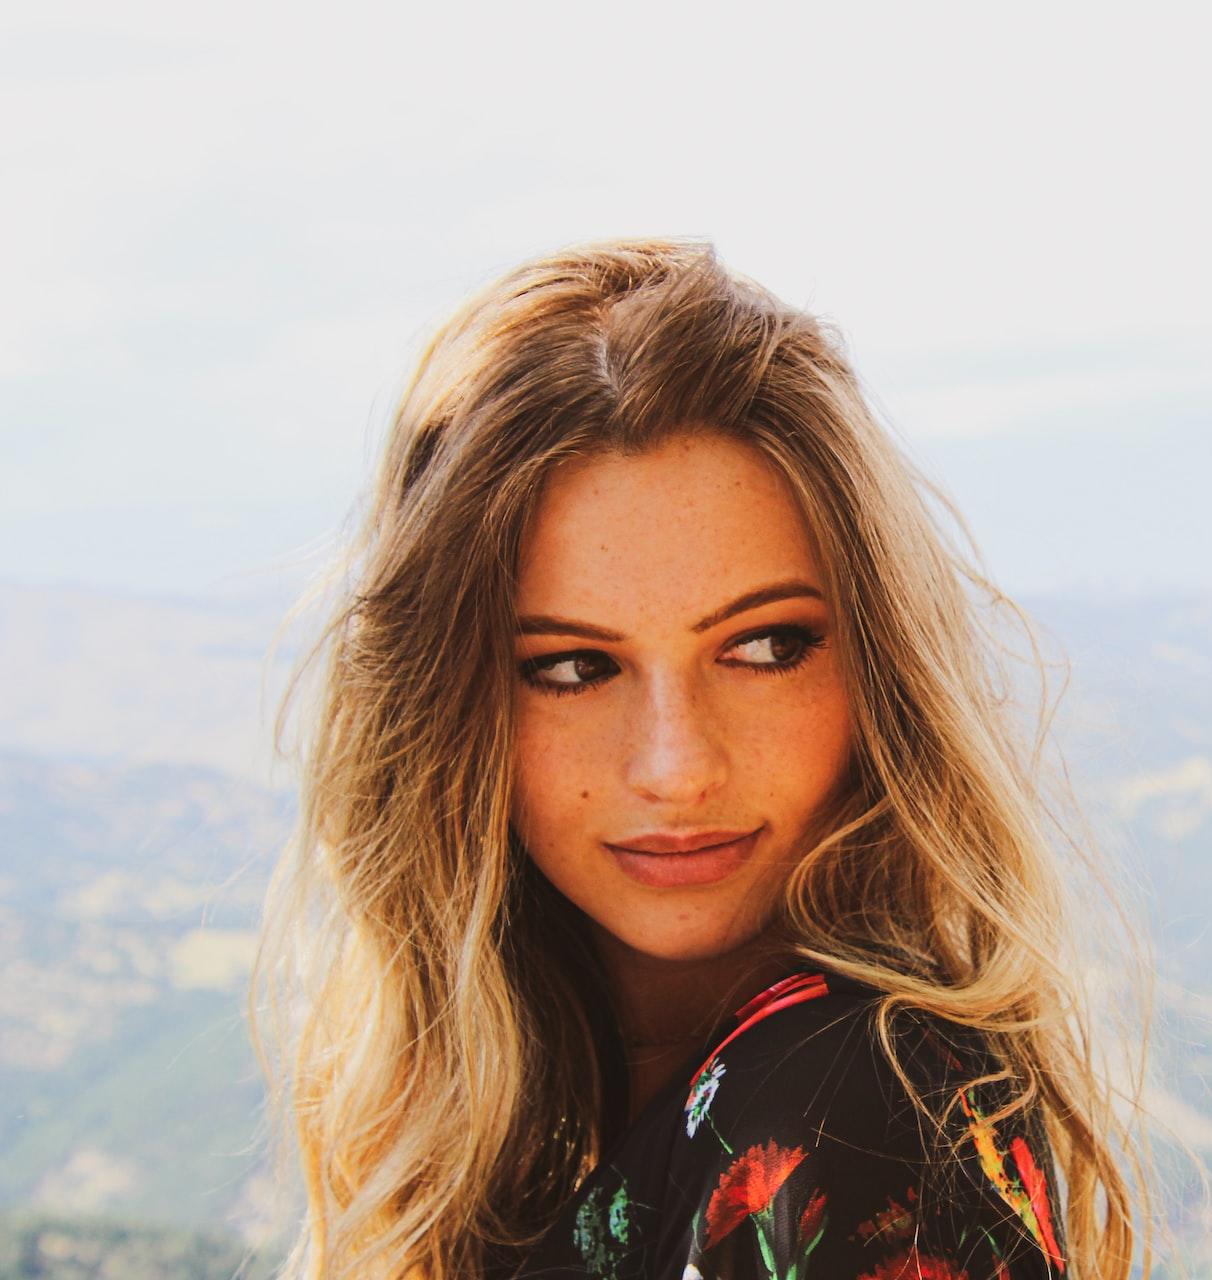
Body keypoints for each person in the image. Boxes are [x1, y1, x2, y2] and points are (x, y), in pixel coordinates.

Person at [250, 239, 1159, 1280]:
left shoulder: (844, 1118)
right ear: (450, 713)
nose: (676, 766)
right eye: (574, 665)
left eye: (764, 646)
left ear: (880, 671)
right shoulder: (593, 1104)